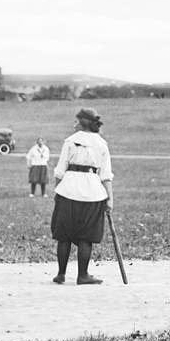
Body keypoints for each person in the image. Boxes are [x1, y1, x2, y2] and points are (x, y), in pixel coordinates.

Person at [51, 107, 113, 285]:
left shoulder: (70, 141)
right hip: (93, 193)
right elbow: (106, 175)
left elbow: (60, 171)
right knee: (86, 237)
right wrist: (110, 199)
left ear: (82, 122)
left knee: (64, 236)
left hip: (68, 190)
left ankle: (61, 274)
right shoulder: (101, 144)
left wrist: (57, 192)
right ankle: (82, 275)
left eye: (76, 121)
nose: (74, 123)